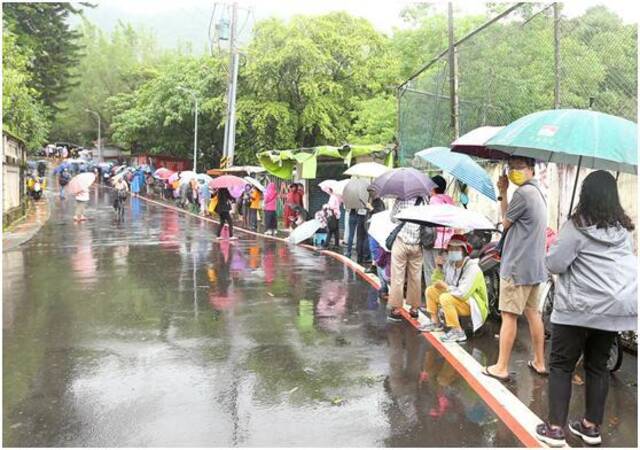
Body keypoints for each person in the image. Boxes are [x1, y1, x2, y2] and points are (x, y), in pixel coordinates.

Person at [535, 171, 637, 447]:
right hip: (611, 312)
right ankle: (591, 427)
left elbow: (555, 264)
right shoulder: (623, 231)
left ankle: (555, 428)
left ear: (585, 195)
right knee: (597, 367)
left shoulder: (576, 226)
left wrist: (558, 240)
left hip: (576, 311)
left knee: (561, 366)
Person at [484, 155, 547, 382]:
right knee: (533, 314)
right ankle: (539, 362)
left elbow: (506, 221)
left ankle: (501, 367)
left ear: (532, 168)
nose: (514, 171)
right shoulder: (539, 192)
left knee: (508, 315)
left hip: (518, 266)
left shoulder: (523, 193)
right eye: (511, 167)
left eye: (519, 167)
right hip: (535, 267)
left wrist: (503, 192)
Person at [420, 234, 488, 342]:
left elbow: (463, 294)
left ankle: (458, 331)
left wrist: (446, 287)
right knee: (430, 290)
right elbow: (436, 282)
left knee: (445, 298)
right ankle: (435, 322)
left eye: (456, 249)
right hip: (456, 296)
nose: (453, 251)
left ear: (464, 250)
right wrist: (438, 267)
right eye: (451, 248)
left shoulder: (473, 268)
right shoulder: (450, 264)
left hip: (473, 303)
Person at [388, 195, 426, 322]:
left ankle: (396, 309)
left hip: (401, 242)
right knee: (415, 277)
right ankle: (414, 309)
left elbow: (393, 219)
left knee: (398, 276)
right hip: (417, 244)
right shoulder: (424, 202)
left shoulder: (401, 200)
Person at [423, 175, 455, 283]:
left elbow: (430, 222)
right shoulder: (450, 201)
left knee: (431, 271)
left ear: (432, 187)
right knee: (446, 271)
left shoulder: (433, 201)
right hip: (449, 242)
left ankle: (432, 297)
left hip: (433, 242)